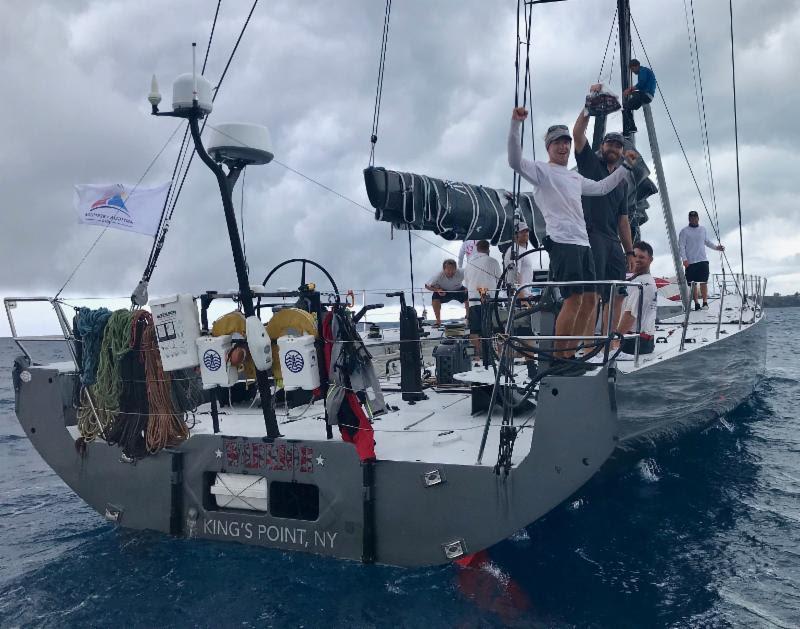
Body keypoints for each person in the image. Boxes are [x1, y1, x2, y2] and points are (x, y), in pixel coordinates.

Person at [507, 107, 638, 362]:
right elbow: (514, 161)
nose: (564, 147)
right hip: (562, 242)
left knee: (590, 300)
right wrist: (516, 124)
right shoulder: (540, 171)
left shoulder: (574, 178)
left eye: (566, 143)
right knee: (573, 299)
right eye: (558, 143)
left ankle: (572, 355)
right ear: (548, 147)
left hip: (583, 244)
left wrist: (626, 166)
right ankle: (560, 357)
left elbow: (602, 188)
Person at [574, 98, 636, 334]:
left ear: (622, 151)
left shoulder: (622, 181)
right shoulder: (589, 163)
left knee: (617, 293)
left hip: (613, 242)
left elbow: (623, 220)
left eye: (618, 146)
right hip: (591, 236)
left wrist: (629, 251)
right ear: (602, 146)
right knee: (594, 295)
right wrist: (588, 106)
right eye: (610, 143)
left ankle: (610, 340)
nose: (614, 148)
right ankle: (589, 342)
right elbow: (578, 134)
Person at [615, 241, 658, 355]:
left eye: (642, 257)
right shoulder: (646, 280)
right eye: (635, 256)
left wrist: (614, 341)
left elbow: (630, 315)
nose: (637, 260)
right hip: (645, 341)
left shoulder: (640, 283)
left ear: (650, 260)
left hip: (634, 343)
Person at [678, 210, 725, 310]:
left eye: (695, 217)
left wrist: (717, 248)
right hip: (690, 262)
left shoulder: (703, 229)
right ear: (689, 219)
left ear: (698, 218)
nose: (693, 219)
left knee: (704, 282)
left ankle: (704, 303)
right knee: (693, 284)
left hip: (703, 260)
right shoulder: (684, 231)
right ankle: (696, 304)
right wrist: (684, 260)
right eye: (691, 218)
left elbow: (707, 242)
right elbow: (681, 247)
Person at [464, 240, 502, 354]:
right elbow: (500, 279)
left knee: (475, 329)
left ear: (477, 249)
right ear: (488, 249)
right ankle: (497, 353)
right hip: (489, 299)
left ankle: (478, 354)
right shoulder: (492, 261)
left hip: (473, 300)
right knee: (496, 328)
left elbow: (466, 282)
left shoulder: (469, 264)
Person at [425, 259, 468, 327]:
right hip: (444, 291)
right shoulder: (438, 275)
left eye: (453, 271)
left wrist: (468, 286)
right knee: (435, 297)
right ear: (444, 269)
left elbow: (471, 277)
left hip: (458, 289)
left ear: (456, 269)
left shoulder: (462, 271)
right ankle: (438, 321)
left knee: (468, 294)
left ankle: (469, 318)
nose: (450, 273)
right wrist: (437, 290)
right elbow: (427, 286)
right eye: (448, 271)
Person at [622, 59, 656, 136]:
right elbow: (642, 86)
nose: (633, 72)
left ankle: (631, 127)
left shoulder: (643, 70)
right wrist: (631, 91)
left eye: (632, 69)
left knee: (625, 106)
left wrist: (629, 90)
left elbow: (641, 83)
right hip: (646, 95)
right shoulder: (645, 71)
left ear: (637, 66)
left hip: (645, 95)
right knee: (626, 107)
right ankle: (631, 128)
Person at [502, 220, 536, 297]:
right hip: (519, 298)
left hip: (526, 295)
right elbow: (515, 275)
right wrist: (522, 298)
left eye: (527, 231)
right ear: (515, 235)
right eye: (522, 232)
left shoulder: (522, 249)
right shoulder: (514, 250)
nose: (525, 234)